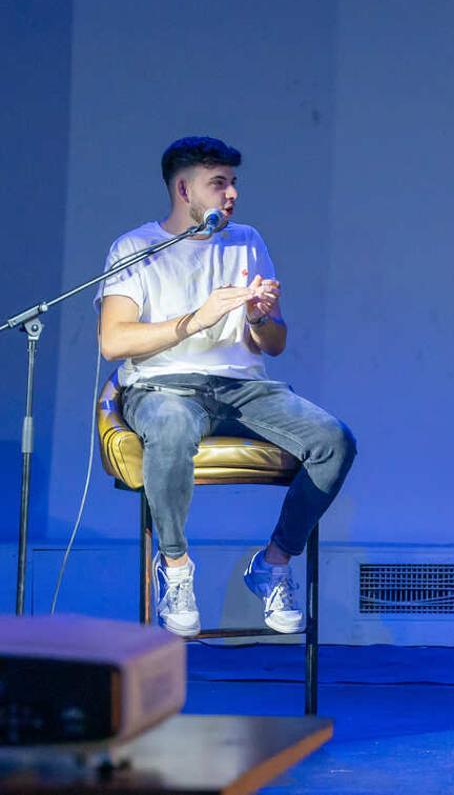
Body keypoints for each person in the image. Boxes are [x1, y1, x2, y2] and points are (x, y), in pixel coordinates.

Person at [97, 136, 356, 637]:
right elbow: (114, 340)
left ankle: (274, 563)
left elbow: (274, 343)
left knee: (334, 440)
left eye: (233, 182)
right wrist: (197, 318)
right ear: (182, 188)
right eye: (218, 183)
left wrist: (259, 319)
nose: (231, 193)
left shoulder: (247, 241)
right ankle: (174, 568)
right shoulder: (136, 248)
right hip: (162, 386)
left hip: (240, 387)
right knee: (171, 429)